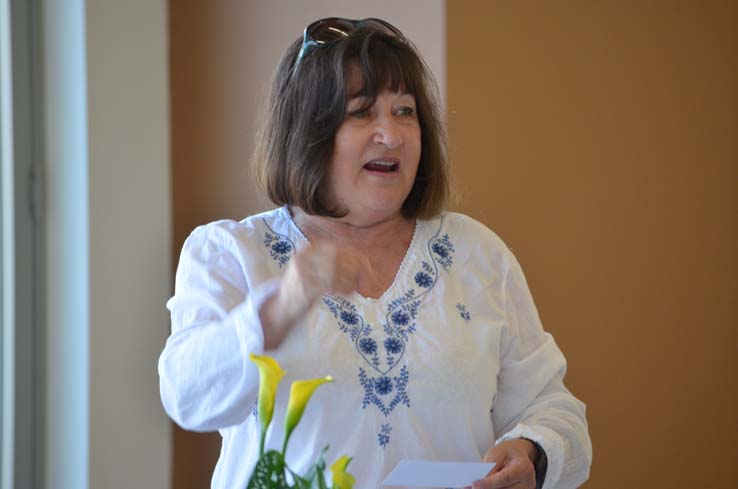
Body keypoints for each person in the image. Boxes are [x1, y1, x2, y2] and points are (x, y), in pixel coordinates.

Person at [158, 17, 592, 489]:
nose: (392, 134)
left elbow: (554, 408)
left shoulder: (478, 254)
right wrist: (282, 305)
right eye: (362, 113)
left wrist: (533, 453)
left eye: (405, 111)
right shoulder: (229, 253)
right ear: (308, 131)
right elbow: (188, 398)